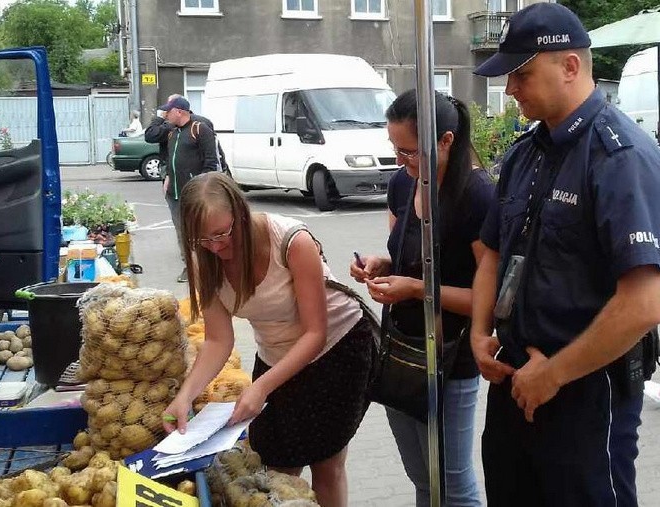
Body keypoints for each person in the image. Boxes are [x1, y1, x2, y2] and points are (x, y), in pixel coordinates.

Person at [470, 3, 660, 506]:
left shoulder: (620, 158)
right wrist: (478, 333)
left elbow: (645, 303)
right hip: (514, 380)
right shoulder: (525, 153)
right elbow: (492, 253)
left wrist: (552, 374)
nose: (510, 90)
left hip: (585, 393)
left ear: (570, 66)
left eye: (522, 75)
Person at [163, 172, 374, 507]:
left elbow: (315, 333)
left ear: (241, 214)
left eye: (223, 234)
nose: (217, 247)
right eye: (205, 240)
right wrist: (186, 396)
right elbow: (219, 340)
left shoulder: (291, 241)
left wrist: (261, 387)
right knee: (274, 461)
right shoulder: (203, 260)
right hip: (277, 353)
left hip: (338, 348)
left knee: (326, 463)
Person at [350, 90, 493, 506]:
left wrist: (417, 290)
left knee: (452, 479)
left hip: (451, 357)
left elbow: (490, 299)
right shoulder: (401, 183)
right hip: (400, 350)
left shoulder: (476, 196)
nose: (400, 162)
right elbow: (404, 254)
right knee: (421, 475)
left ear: (445, 141)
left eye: (410, 152)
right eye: (395, 149)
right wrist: (381, 264)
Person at [144, 95, 221, 283]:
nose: (165, 115)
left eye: (167, 112)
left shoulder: (200, 129)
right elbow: (170, 157)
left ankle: (210, 268)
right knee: (182, 233)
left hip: (195, 194)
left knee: (202, 231)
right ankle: (190, 267)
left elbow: (211, 162)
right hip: (175, 194)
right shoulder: (172, 132)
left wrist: (203, 189)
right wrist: (168, 176)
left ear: (179, 111)